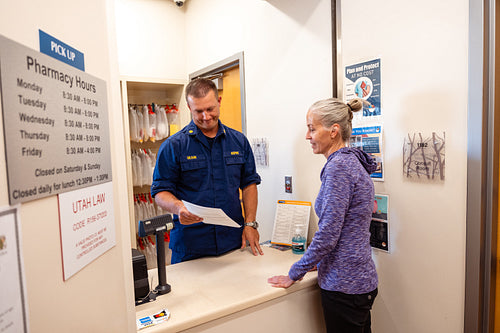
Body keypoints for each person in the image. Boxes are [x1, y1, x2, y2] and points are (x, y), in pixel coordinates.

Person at [268, 98, 378, 333]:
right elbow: (355, 220)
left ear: (333, 131)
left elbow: (329, 233)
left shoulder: (339, 168)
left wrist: (294, 273)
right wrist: (316, 263)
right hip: (360, 279)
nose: (307, 136)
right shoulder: (353, 163)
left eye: (312, 128)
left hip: (345, 286)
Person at [151, 78, 263, 264]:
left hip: (233, 242)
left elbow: (249, 184)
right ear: (189, 107)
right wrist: (179, 208)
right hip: (190, 245)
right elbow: (159, 192)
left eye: (210, 109)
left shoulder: (239, 141)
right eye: (198, 111)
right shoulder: (173, 146)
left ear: (218, 101)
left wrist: (250, 223)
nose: (205, 116)